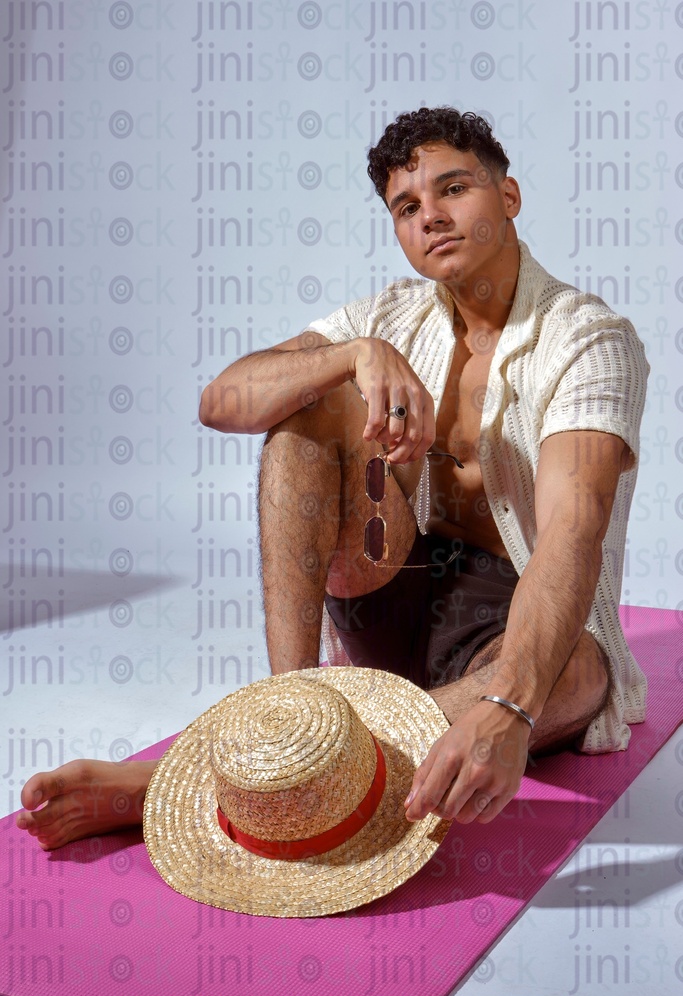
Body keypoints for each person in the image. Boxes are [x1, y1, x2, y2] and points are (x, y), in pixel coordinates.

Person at [16, 107, 648, 851]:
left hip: (507, 630)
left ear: (507, 196)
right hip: (391, 596)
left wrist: (509, 704)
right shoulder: (387, 314)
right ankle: (287, 718)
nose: (432, 217)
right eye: (406, 207)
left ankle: (210, 777)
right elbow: (222, 400)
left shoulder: (586, 339)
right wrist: (352, 356)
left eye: (454, 189)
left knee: (573, 671)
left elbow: (572, 533)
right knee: (302, 417)